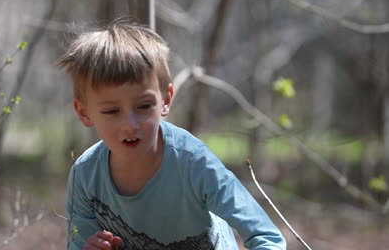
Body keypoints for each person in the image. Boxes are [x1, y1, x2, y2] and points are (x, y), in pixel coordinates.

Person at [58, 22, 286, 250]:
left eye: (144, 106)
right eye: (111, 111)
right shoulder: (86, 175)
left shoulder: (193, 161)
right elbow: (78, 245)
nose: (130, 125)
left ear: (165, 100)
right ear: (85, 113)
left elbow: (267, 238)